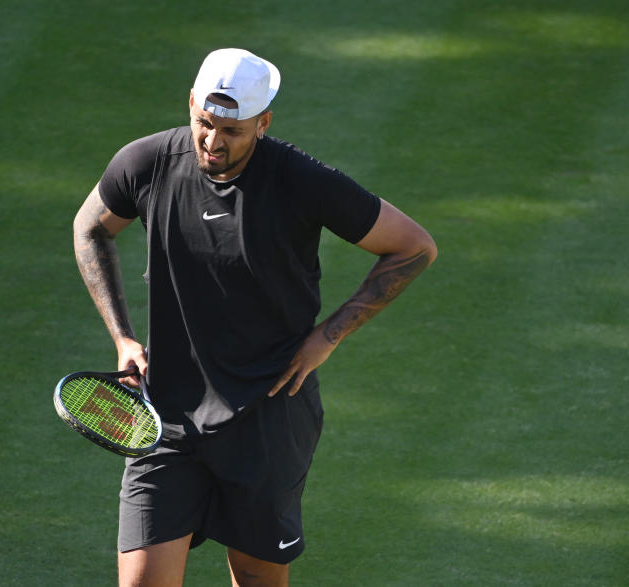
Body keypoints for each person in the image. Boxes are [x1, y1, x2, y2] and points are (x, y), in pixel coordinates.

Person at [72, 48, 437, 587]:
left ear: (263, 123)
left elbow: (413, 247)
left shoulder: (301, 180)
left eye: (233, 131)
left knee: (256, 580)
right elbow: (90, 228)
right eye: (204, 123)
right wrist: (123, 338)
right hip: (167, 419)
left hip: (268, 417)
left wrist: (330, 334)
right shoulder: (146, 163)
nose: (213, 142)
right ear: (192, 103)